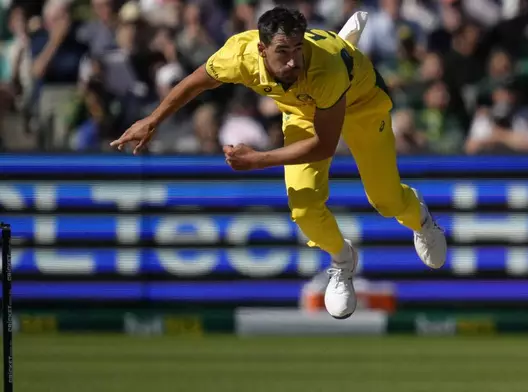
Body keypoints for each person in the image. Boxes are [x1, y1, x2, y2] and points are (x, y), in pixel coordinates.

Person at [110, 7, 447, 320]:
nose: (292, 62)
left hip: (361, 104)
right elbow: (197, 81)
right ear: (261, 50)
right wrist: (152, 120)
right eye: (282, 52)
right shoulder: (238, 54)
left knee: (385, 200)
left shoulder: (322, 70)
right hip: (303, 110)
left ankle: (421, 219)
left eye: (297, 49)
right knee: (303, 208)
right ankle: (342, 261)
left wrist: (259, 159)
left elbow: (323, 145)